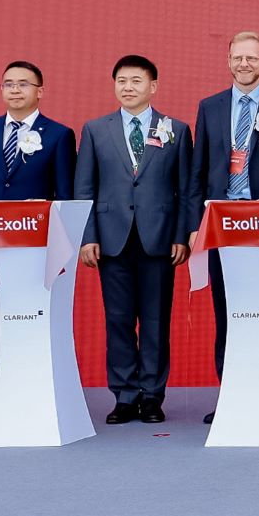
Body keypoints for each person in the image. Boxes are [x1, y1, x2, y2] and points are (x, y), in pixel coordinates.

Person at [187, 30, 259, 420]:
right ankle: (230, 396)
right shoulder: (210, 106)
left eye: (252, 58)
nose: (244, 64)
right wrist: (194, 223)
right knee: (229, 310)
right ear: (228, 61)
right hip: (222, 222)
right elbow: (199, 169)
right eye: (238, 57)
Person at [0, 60, 77, 425]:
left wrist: (60, 250)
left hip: (37, 251)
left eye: (24, 83)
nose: (15, 89)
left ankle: (38, 393)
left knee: (35, 320)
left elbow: (65, 197)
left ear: (40, 91)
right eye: (8, 83)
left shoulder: (59, 135)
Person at [75, 55, 194, 424]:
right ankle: (125, 395)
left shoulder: (176, 130)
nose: (128, 87)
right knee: (119, 320)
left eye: (136, 81)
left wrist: (181, 235)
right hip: (112, 239)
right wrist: (87, 236)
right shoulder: (95, 130)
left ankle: (152, 396)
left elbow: (186, 190)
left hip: (160, 239)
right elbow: (84, 188)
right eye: (121, 81)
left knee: (156, 321)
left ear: (153, 86)